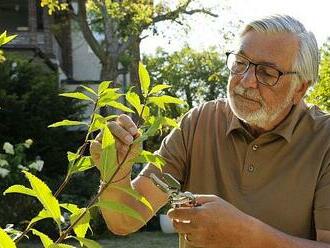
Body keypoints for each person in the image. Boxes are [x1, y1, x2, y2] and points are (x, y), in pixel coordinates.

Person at [90, 15, 330, 248]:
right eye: (240, 63)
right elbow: (125, 220)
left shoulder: (325, 140)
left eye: (267, 73)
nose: (246, 81)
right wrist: (115, 171)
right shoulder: (198, 123)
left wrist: (244, 235)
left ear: (300, 88)